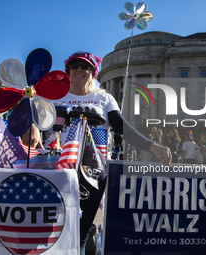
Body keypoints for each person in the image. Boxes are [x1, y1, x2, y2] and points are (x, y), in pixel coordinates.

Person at [51, 51, 172, 254]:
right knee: (56, 223)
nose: (79, 69)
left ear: (93, 71)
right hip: (57, 166)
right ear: (68, 71)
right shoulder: (55, 96)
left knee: (80, 226)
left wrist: (153, 146)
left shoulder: (104, 98)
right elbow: (38, 121)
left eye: (85, 66)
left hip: (93, 172)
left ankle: (80, 246)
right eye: (75, 66)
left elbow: (122, 127)